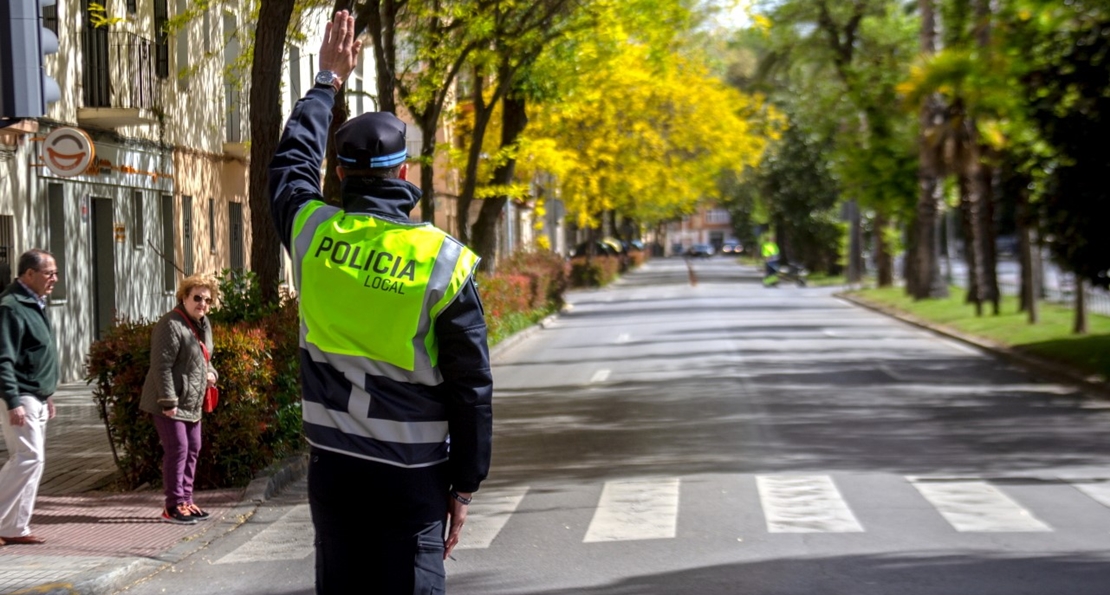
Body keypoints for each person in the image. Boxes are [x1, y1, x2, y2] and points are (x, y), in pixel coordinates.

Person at [268, 11, 493, 594]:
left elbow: (291, 165)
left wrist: (326, 80)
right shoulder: (442, 260)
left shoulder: (313, 234)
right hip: (413, 474)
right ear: (404, 170)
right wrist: (464, 484)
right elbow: (471, 386)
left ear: (340, 172)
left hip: (335, 470)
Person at [139, 274, 219, 525]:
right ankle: (173, 505)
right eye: (197, 298)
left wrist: (212, 374)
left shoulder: (203, 324)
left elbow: (205, 360)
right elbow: (161, 366)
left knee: (193, 448)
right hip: (170, 402)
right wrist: (168, 401)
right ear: (184, 297)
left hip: (192, 402)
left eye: (207, 300)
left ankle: (186, 500)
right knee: (178, 450)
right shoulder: (171, 324)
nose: (202, 304)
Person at [0, 249, 59, 546]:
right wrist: (12, 400)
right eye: (49, 273)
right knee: (27, 457)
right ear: (29, 274)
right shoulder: (11, 306)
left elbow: (35, 354)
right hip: (19, 395)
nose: (55, 279)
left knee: (34, 461)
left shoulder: (34, 303)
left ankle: (14, 527)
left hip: (35, 395)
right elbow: (4, 359)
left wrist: (47, 394)